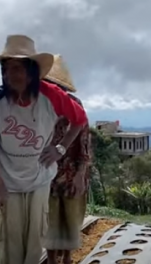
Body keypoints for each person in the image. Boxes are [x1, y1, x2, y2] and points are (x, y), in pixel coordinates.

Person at [0, 35, 88, 264]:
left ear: (31, 71)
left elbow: (80, 119)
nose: (11, 74)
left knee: (35, 241)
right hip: (7, 181)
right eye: (6, 69)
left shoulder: (51, 96)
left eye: (17, 68)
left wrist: (60, 148)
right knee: (9, 242)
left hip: (39, 179)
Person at [43, 55, 91, 264]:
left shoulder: (74, 104)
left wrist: (81, 173)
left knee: (70, 219)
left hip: (71, 172)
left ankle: (68, 259)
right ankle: (53, 259)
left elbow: (84, 139)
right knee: (50, 220)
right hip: (46, 173)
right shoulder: (39, 106)